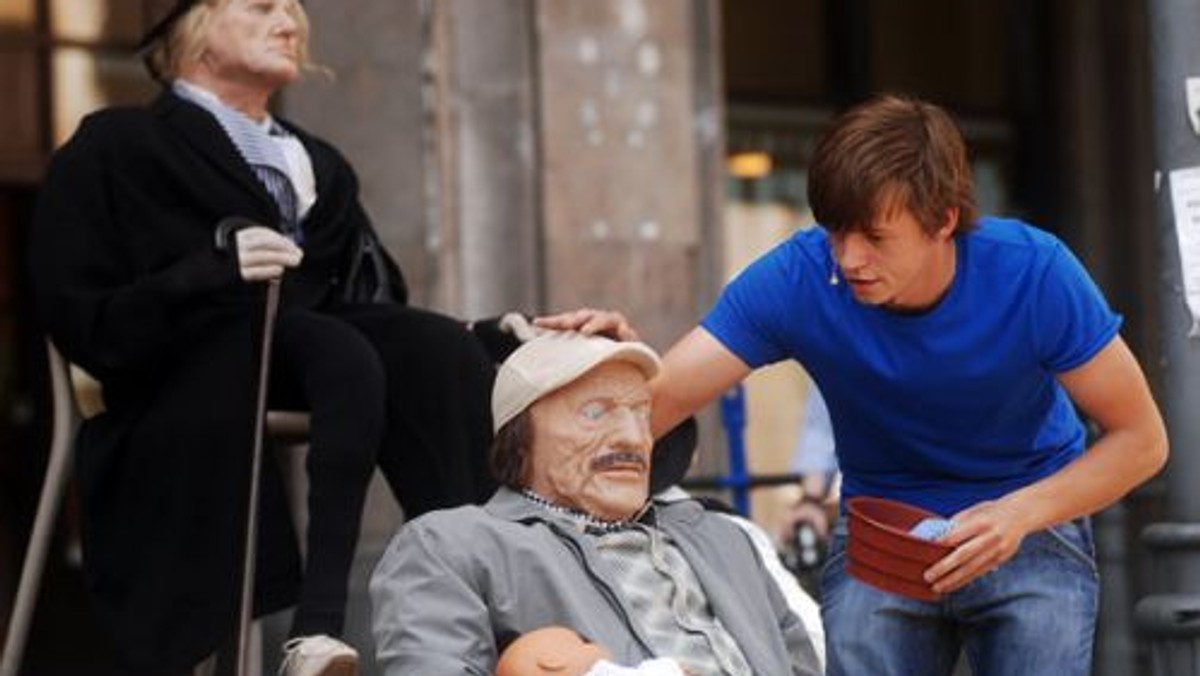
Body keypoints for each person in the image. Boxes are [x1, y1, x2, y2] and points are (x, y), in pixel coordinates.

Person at [537, 94, 1169, 675]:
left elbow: (1141, 441)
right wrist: (614, 368)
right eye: (836, 230)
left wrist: (1020, 514)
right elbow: (659, 400)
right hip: (879, 531)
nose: (848, 259)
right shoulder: (797, 278)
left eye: (874, 236)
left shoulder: (1035, 273)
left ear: (944, 220)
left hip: (1030, 523)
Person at [27, 1, 495, 674]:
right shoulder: (119, 145)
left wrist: (482, 334)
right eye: (262, 5)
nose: (290, 20)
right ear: (190, 28)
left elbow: (371, 305)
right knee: (343, 354)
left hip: (313, 356)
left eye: (295, 7)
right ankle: (317, 628)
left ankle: (474, 612)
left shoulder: (320, 165)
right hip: (184, 367)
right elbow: (79, 306)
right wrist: (207, 274)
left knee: (434, 353)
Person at [369, 331, 822, 676]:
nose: (632, 437)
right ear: (520, 436)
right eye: (595, 413)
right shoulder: (453, 545)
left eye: (641, 414)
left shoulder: (724, 538)